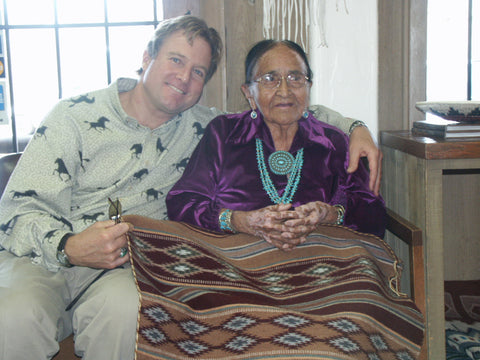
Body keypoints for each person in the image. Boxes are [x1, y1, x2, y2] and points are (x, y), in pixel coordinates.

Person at [0, 16, 381, 360]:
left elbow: (284, 105)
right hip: (40, 256)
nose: (184, 78)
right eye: (176, 60)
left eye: (198, 71)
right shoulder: (73, 116)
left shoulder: (204, 127)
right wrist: (68, 246)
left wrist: (355, 127)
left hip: (122, 267)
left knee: (128, 314)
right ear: (147, 57)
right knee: (15, 315)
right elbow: (15, 210)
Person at [166, 39, 385, 251]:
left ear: (308, 87)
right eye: (270, 78)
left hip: (317, 266)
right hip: (235, 264)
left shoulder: (333, 142)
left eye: (295, 77)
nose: (284, 90)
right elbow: (183, 203)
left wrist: (332, 215)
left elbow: (373, 216)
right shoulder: (223, 134)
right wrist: (238, 221)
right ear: (249, 93)